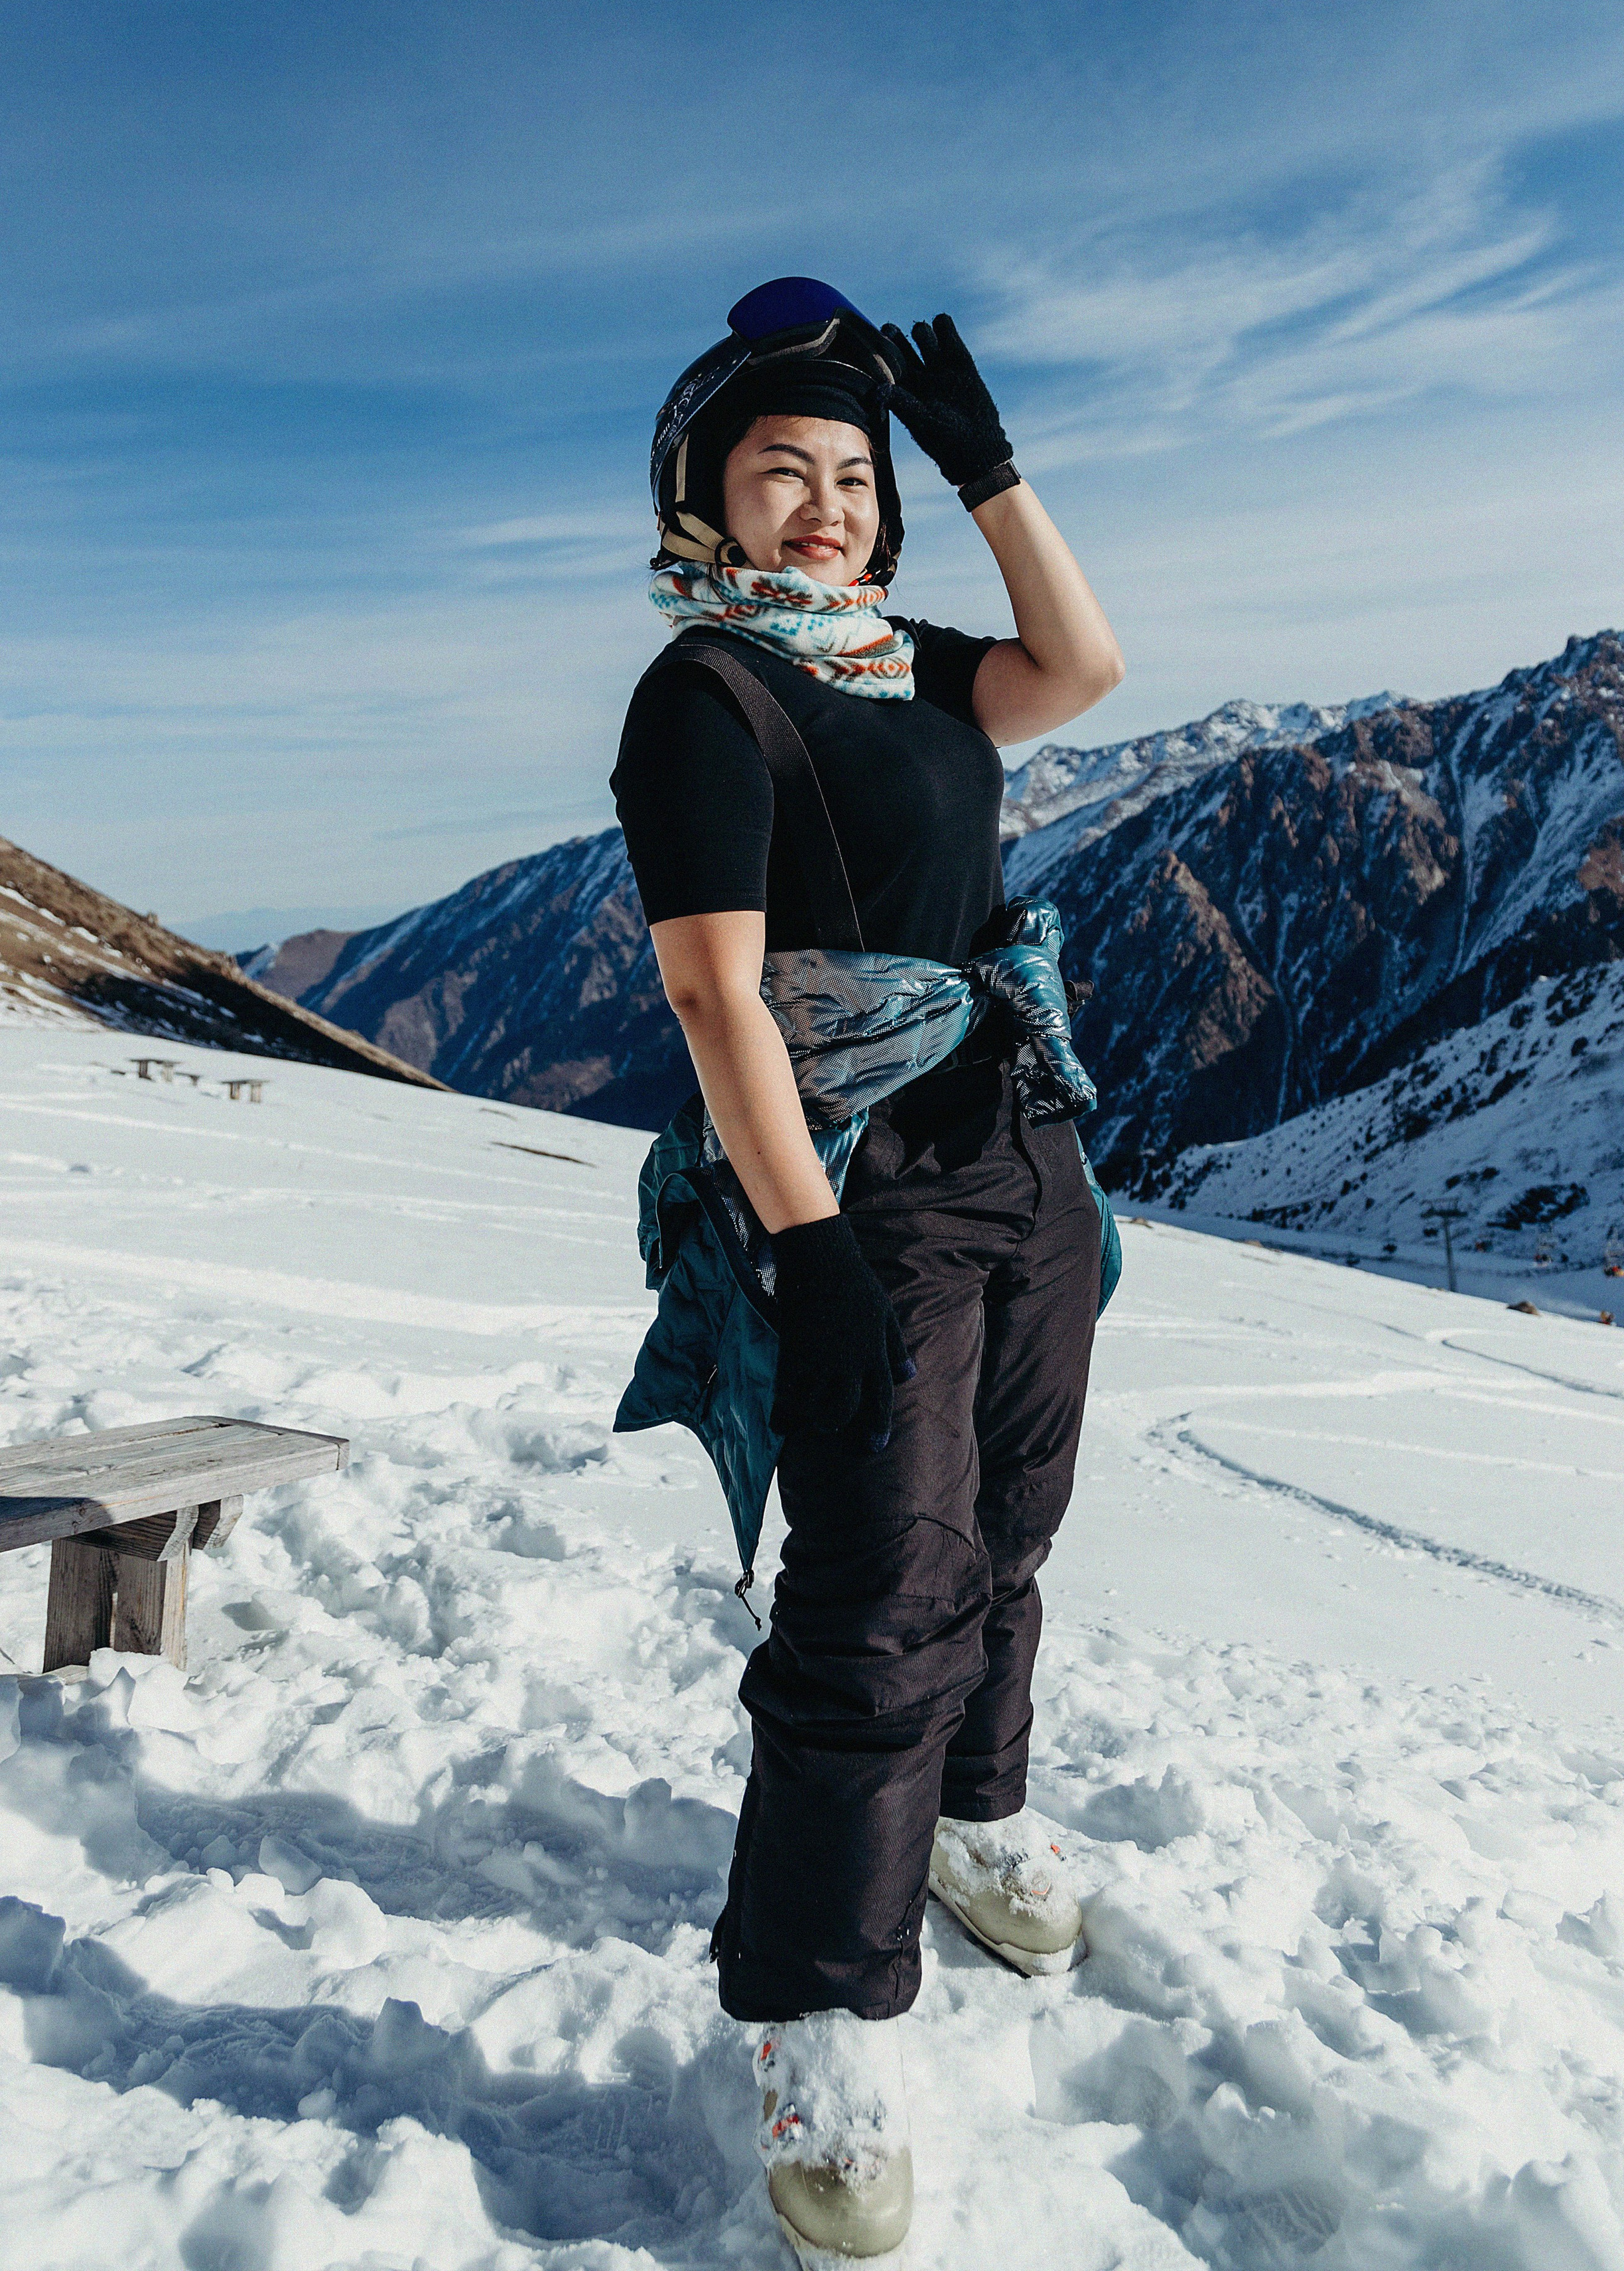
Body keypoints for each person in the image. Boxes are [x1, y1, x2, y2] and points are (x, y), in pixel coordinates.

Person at [612, 278, 1124, 2266]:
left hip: (1023, 1145)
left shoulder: (908, 659)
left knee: (1010, 1522)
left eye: (852, 475)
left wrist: (991, 471)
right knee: (875, 1586)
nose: (824, 505)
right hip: (866, 1182)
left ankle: (979, 1816)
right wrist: (809, 1256)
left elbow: (1080, 662)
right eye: (780, 471)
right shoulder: (711, 701)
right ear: (708, 500)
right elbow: (710, 993)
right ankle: (817, 2003)